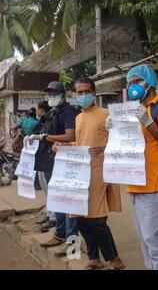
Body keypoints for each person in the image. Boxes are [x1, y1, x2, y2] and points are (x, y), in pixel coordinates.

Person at [105, 64, 158, 270]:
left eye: (136, 81)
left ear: (149, 82)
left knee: (155, 243)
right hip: (135, 183)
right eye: (129, 83)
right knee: (145, 242)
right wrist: (112, 128)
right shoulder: (130, 110)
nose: (132, 86)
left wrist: (147, 122)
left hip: (155, 184)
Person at [53, 76, 125, 270]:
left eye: (87, 92)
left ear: (94, 93)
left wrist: (102, 148)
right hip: (79, 173)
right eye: (79, 92)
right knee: (80, 219)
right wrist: (63, 146)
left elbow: (120, 140)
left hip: (99, 172)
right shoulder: (78, 117)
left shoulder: (106, 114)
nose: (83, 95)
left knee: (97, 219)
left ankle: (114, 260)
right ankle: (94, 258)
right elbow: (81, 144)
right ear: (75, 95)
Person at [26, 81, 80, 246]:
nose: (51, 97)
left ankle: (72, 245)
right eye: (49, 94)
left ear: (63, 95)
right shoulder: (53, 113)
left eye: (54, 93)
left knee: (69, 203)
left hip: (65, 162)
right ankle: (60, 235)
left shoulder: (68, 112)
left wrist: (44, 137)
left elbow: (70, 136)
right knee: (58, 200)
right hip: (51, 161)